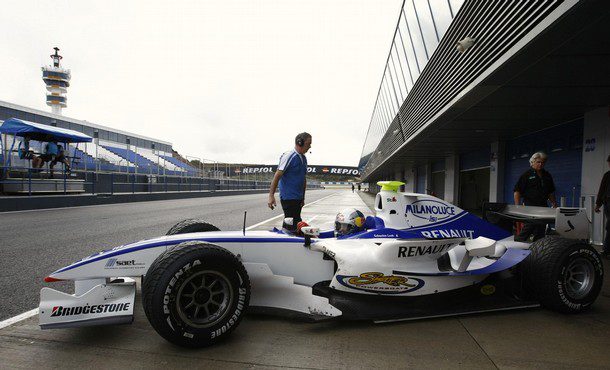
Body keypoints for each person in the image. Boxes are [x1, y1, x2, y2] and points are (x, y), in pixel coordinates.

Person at [268, 132, 312, 231]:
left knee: (296, 223)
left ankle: (292, 242)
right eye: (308, 143)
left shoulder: (304, 158)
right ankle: (283, 242)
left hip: (298, 198)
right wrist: (271, 195)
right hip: (289, 197)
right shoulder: (289, 156)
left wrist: (303, 197)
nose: (310, 146)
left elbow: (303, 178)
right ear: (300, 142)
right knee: (290, 223)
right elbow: (277, 175)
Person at [514, 152, 557, 241]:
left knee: (541, 227)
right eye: (538, 162)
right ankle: (518, 241)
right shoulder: (526, 175)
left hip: (543, 205)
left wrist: (554, 203)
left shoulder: (547, 175)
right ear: (532, 162)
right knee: (530, 224)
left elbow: (550, 192)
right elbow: (517, 191)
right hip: (530, 205)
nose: (540, 164)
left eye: (542, 162)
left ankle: (537, 246)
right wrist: (517, 206)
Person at [594, 155, 610, 258]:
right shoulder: (607, 175)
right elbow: (602, 190)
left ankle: (606, 250)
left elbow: (602, 190)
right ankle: (606, 250)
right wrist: (598, 204)